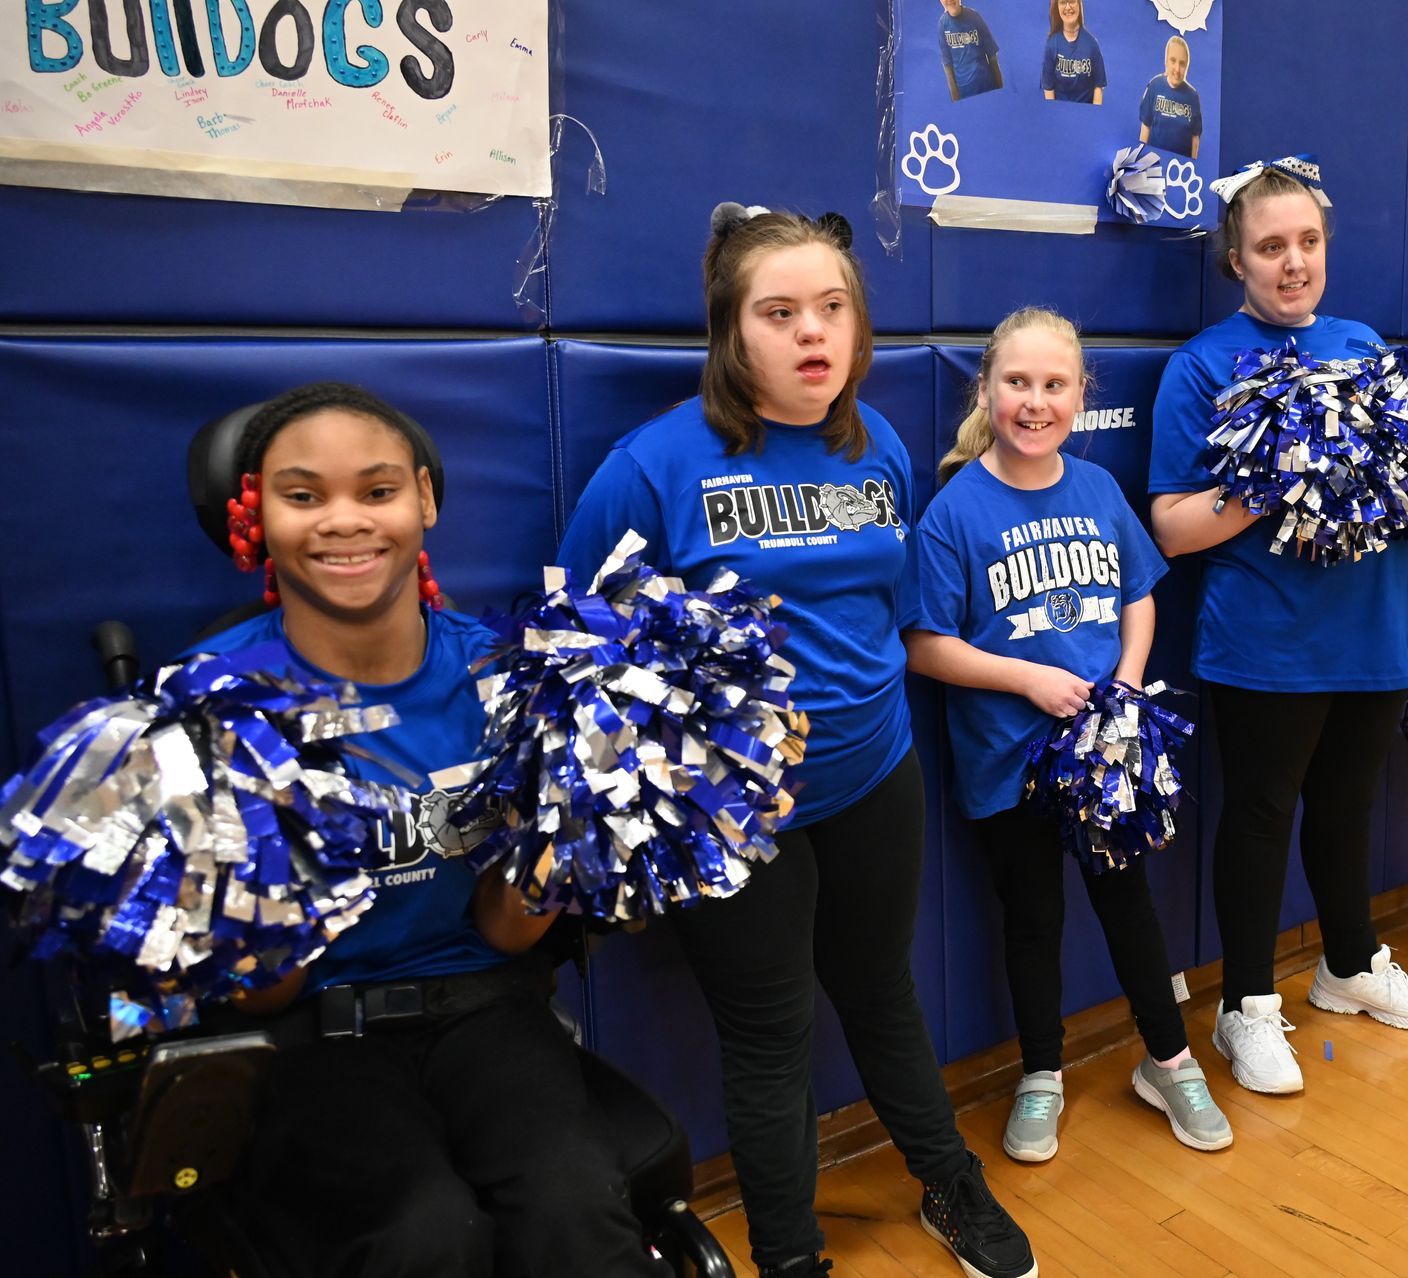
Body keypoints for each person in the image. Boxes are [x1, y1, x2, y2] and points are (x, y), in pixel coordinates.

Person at [557, 206, 1036, 1278]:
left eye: (833, 309)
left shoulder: (882, 447)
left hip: (875, 771)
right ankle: (790, 1258)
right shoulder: (649, 468)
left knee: (880, 991)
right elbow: (579, 653)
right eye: (779, 313)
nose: (812, 334)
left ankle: (950, 1186)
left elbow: (893, 617)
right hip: (733, 813)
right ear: (732, 333)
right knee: (771, 1036)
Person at [197, 382, 660, 1278]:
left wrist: (569, 823)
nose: (344, 522)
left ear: (425, 500)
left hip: (487, 1007)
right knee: (424, 1233)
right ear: (258, 513)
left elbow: (504, 929)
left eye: (376, 492)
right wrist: (283, 865)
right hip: (315, 1037)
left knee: (573, 1207)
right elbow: (260, 997)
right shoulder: (213, 702)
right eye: (303, 495)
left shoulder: (505, 675)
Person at [1148, 162, 1408, 1100]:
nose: (1293, 263)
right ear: (1236, 258)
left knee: (1349, 808)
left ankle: (1348, 965)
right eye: (1271, 246)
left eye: (1307, 243)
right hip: (1267, 645)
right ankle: (1244, 1004)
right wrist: (1283, 468)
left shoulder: (1367, 347)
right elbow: (1170, 525)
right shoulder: (1201, 364)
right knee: (1262, 819)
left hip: (1374, 630)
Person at [906, 306, 1230, 1161]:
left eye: (1055, 385)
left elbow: (1139, 595)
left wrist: (1125, 681)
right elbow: (926, 646)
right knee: (1031, 920)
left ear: (1082, 396)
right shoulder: (955, 510)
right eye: (1018, 383)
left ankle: (1170, 1058)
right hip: (1007, 762)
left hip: (1102, 758)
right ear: (986, 389)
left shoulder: (1095, 489)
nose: (1036, 402)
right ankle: (1041, 1075)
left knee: (1130, 908)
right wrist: (1028, 679)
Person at [1137, 35, 1201, 158]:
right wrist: (1141, 158)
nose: (1177, 69)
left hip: (1180, 165)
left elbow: (1195, 136)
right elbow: (1145, 126)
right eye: (1173, 60)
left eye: (1182, 64)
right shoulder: (1154, 85)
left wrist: (1193, 162)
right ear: (1166, 61)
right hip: (1153, 160)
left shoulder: (1193, 96)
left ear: (1187, 66)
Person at [1039, 0, 1105, 105]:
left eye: (1072, 1)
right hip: (1060, 113)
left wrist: (1093, 115)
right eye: (1063, 2)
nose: (1068, 7)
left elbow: (1099, 86)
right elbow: (1048, 88)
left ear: (1079, 4)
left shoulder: (1092, 44)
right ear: (1057, 7)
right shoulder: (1052, 45)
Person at [939, 0, 1004, 101]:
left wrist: (1000, 89)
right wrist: (955, 97)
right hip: (964, 91)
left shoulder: (974, 17)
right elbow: (947, 64)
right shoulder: (942, 24)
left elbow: (992, 56)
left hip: (986, 85)